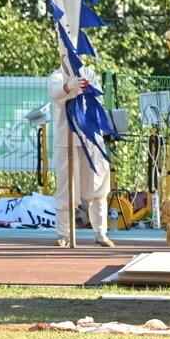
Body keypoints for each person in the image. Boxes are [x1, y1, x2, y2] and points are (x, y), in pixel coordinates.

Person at [47, 64, 114, 247]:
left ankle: (100, 233)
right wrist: (68, 87)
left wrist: (82, 88)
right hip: (66, 141)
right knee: (66, 188)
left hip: (91, 139)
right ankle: (63, 234)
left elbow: (96, 95)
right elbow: (55, 93)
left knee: (97, 186)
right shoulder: (57, 76)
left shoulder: (88, 72)